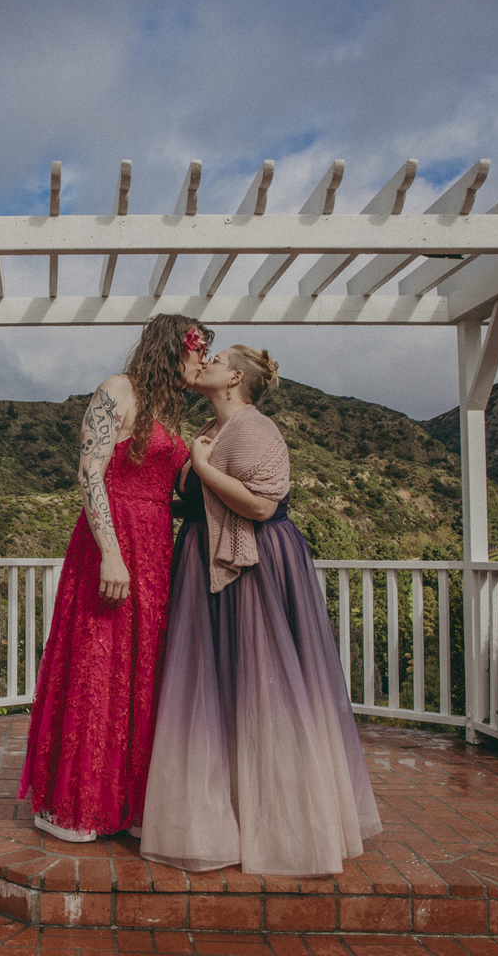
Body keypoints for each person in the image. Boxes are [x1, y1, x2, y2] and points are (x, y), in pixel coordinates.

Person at [139, 345, 382, 876]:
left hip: (255, 566)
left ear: (235, 380)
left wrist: (200, 467)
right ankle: (228, 813)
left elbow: (261, 504)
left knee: (262, 685)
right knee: (221, 689)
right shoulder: (209, 427)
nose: (204, 362)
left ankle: (285, 824)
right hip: (206, 563)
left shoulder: (254, 428)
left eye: (217, 358)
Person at [18, 314, 211, 843]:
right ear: (173, 347)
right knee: (97, 662)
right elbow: (89, 473)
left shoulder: (171, 412)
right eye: (197, 349)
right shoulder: (117, 391)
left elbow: (163, 489)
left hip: (154, 546)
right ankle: (76, 804)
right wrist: (110, 552)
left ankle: (126, 803)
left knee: (143, 671)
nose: (201, 360)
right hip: (113, 542)